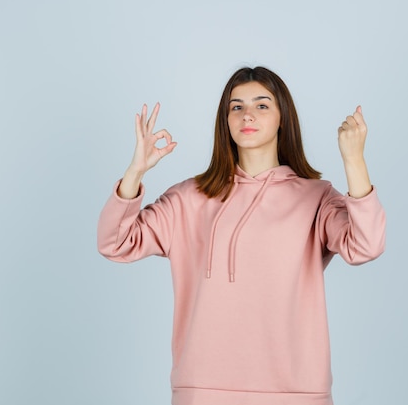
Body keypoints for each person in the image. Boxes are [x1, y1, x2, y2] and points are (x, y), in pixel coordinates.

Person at [97, 66, 386, 405]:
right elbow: (115, 242)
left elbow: (366, 245)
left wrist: (354, 162)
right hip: (202, 391)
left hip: (295, 392)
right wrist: (135, 173)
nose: (247, 114)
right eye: (236, 107)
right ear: (226, 120)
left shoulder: (317, 198)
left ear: (283, 118)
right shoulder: (189, 198)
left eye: (262, 105)